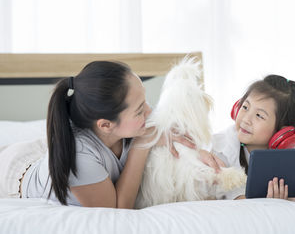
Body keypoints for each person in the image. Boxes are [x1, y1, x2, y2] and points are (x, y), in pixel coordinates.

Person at [0, 61, 195, 208]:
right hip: (11, 171)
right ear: (106, 125)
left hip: (40, 151)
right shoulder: (79, 158)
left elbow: (171, 135)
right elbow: (117, 209)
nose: (149, 111)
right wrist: (141, 145)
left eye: (145, 100)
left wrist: (192, 153)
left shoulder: (127, 121)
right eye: (139, 111)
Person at [202, 74, 295, 201]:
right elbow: (232, 197)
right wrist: (277, 200)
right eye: (245, 107)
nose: (246, 119)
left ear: (282, 134)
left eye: (259, 115)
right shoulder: (220, 148)